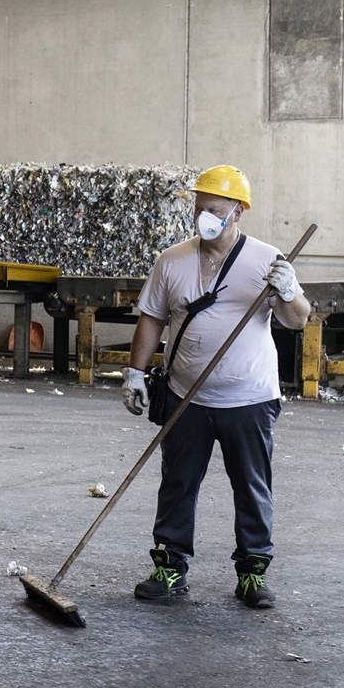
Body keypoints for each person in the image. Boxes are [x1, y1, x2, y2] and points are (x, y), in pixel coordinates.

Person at [122, 165, 308, 608]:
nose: (205, 216)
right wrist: (134, 372)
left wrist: (287, 289)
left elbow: (296, 320)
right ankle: (170, 566)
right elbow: (152, 318)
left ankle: (252, 573)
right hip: (188, 396)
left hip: (250, 399)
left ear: (238, 212)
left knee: (251, 485)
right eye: (200, 208)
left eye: (216, 209)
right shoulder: (172, 260)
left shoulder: (267, 260)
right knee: (178, 483)